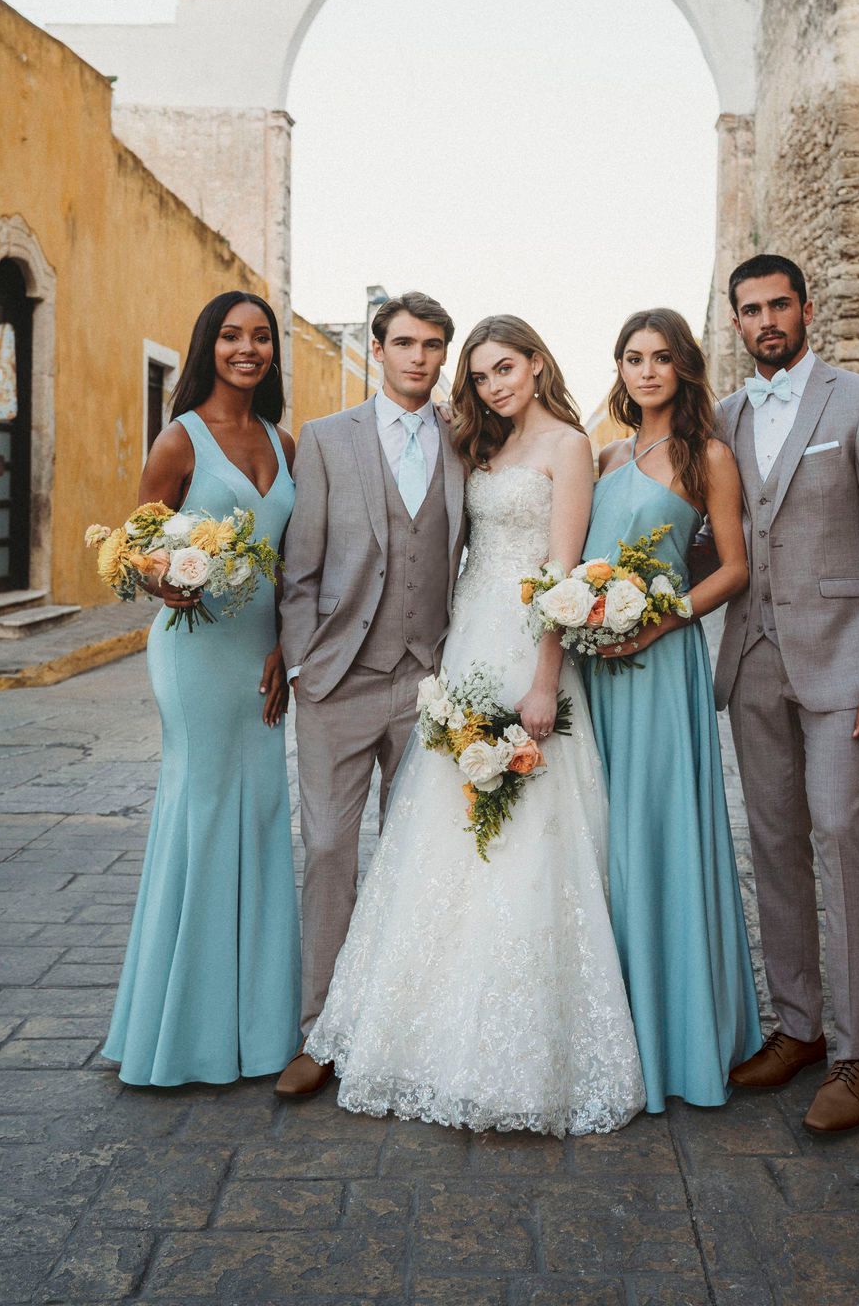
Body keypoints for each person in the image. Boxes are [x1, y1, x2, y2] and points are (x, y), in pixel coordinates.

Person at [303, 316, 645, 1136]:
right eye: (481, 374)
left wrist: (545, 679)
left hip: (526, 650)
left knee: (529, 836)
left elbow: (561, 576)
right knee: (443, 835)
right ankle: (418, 1030)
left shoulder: (567, 447)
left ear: (536, 363)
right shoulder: (476, 449)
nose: (493, 385)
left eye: (505, 368)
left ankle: (517, 1049)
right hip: (465, 650)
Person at [716, 254, 859, 1134]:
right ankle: (797, 1026)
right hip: (755, 660)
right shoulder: (721, 416)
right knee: (770, 841)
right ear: (734, 323)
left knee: (841, 835)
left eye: (778, 306)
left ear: (805, 309)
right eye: (750, 310)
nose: (766, 321)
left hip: (845, 661)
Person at [103, 291, 301, 1086]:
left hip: (261, 655)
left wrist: (288, 645)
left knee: (260, 817)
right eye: (230, 336)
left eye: (259, 337)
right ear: (206, 347)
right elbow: (130, 552)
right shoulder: (179, 440)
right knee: (202, 812)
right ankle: (179, 1033)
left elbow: (294, 565)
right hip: (194, 652)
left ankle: (256, 1032)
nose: (246, 349)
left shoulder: (286, 442)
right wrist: (166, 586)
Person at [274, 292, 467, 1098]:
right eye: (404, 344)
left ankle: (404, 1025)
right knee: (327, 853)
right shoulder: (325, 440)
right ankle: (320, 1034)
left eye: (432, 346)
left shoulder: (466, 438)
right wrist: (301, 666)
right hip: (339, 682)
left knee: (419, 860)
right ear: (379, 350)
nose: (418, 358)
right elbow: (300, 570)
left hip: (429, 681)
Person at [583, 308, 762, 1115]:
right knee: (600, 831)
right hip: (595, 672)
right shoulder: (606, 455)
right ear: (618, 368)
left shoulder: (707, 457)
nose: (645, 371)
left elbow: (732, 568)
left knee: (657, 832)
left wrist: (660, 619)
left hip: (661, 667)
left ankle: (676, 1036)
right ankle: (606, 1027)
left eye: (660, 358)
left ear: (683, 368)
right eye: (632, 358)